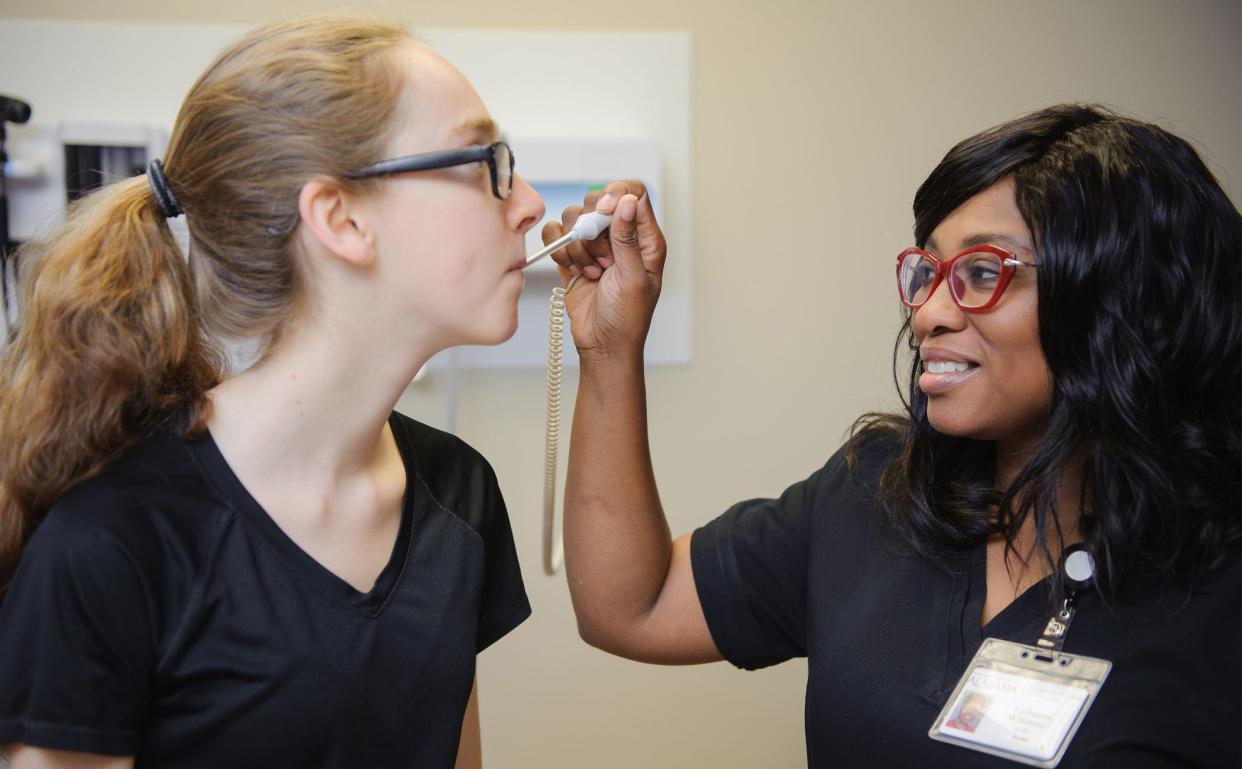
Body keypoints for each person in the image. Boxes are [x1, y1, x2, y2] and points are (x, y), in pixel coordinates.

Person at [545, 104, 1240, 767]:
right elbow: (631, 605)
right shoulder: (876, 494)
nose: (929, 311)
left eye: (981, 272)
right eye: (930, 271)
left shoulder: (1215, 595)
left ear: (1124, 303)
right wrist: (610, 348)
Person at [0, 16, 544, 769]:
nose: (530, 204)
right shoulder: (111, 542)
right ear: (340, 217)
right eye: (487, 161)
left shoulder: (460, 495)